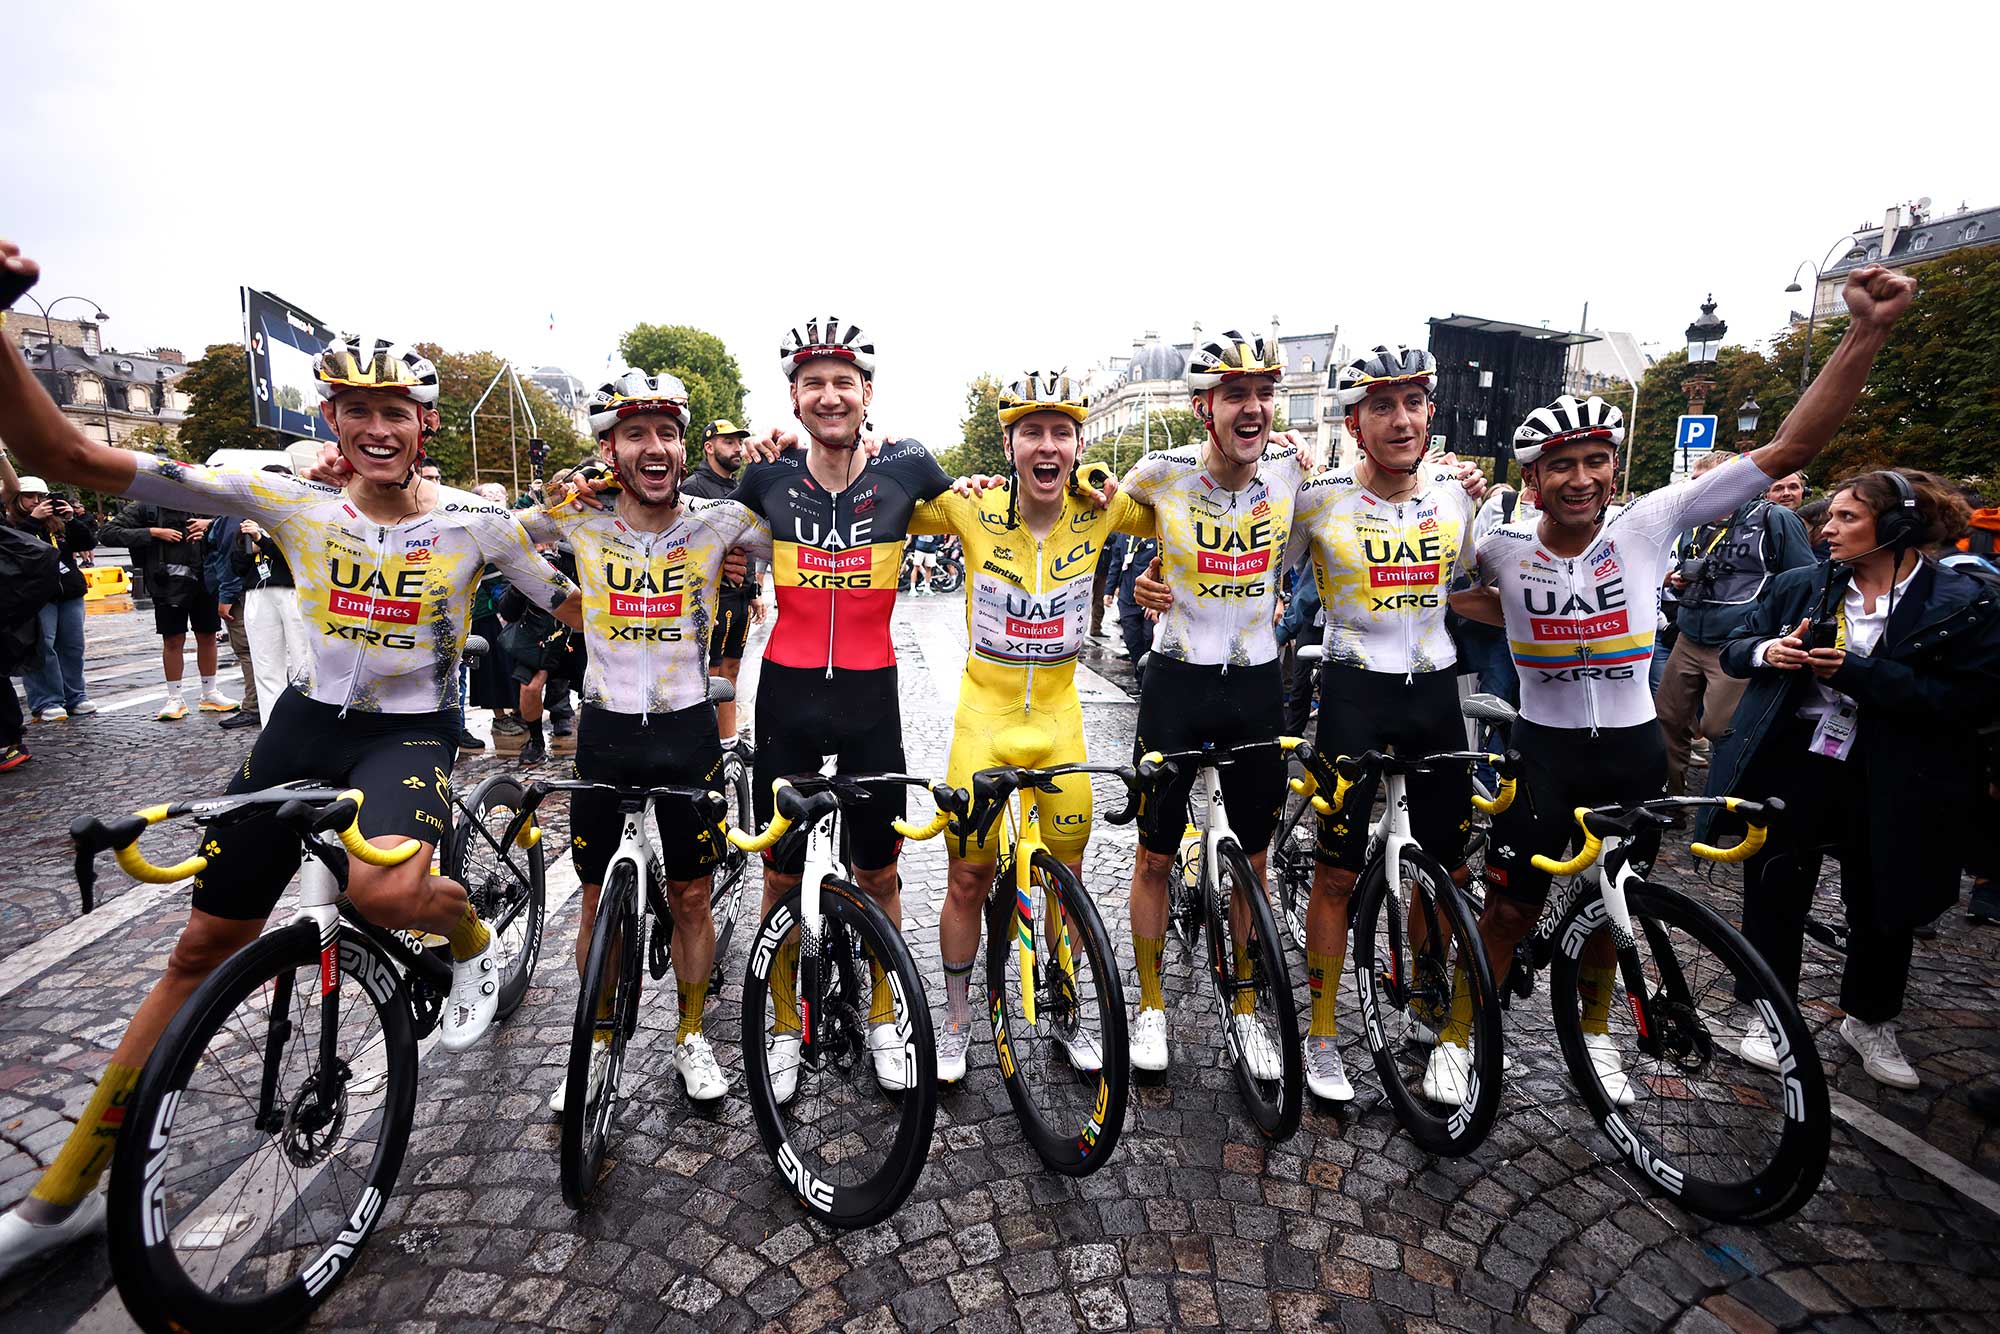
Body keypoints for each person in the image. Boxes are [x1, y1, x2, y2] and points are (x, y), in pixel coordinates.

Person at [0, 244, 582, 1279]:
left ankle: (471, 937)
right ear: (329, 420)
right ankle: (59, 1199)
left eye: (394, 406)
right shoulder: (285, 496)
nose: (374, 423)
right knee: (198, 948)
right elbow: (71, 455)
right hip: (303, 725)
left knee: (385, 891)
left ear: (424, 422)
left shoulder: (476, 522)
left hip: (411, 731)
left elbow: (571, 602)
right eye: (353, 405)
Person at [1451, 262, 1919, 1110]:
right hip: (1544, 754)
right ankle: (1457, 1033)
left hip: (1631, 756)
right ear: (1532, 481)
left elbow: (1790, 449)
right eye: (1562, 465)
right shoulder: (1502, 548)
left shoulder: (1650, 521)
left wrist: (1866, 331)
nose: (1583, 477)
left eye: (1598, 460)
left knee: (1610, 914)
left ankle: (1596, 1036)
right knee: (1509, 915)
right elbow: (1437, 593)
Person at [524, 372, 771, 1105]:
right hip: (604, 728)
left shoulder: (717, 520)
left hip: (688, 726)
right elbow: (486, 534)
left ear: (683, 444)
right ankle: (598, 1041)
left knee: (691, 898)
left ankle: (691, 1033)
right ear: (609, 447)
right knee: (596, 901)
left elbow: (803, 528)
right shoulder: (581, 519)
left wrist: (784, 466)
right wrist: (554, 511)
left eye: (667, 432)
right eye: (635, 433)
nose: (654, 446)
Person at [1714, 469, 2000, 1088]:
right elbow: (1735, 645)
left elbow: (1972, 699)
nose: (1827, 529)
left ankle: (1870, 1018)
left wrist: (1862, 675)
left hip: (1898, 769)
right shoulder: (1801, 586)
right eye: (1829, 516)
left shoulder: (1963, 600)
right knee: (1774, 888)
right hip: (1797, 759)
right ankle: (1770, 1013)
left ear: (1896, 527)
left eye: (1847, 517)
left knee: (1882, 898)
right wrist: (1769, 653)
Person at [904, 370, 1151, 1081]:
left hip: (1060, 721)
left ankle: (1066, 1008)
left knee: (1065, 878)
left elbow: (1186, 499)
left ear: (1077, 445)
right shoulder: (969, 510)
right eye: (1033, 433)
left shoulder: (1098, 510)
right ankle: (954, 1024)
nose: (1049, 446)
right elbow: (877, 494)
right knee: (966, 880)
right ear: (1010, 445)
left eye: (1063, 433)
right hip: (984, 718)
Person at [730, 317, 953, 1098]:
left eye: (844, 382)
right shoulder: (766, 480)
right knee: (779, 877)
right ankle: (786, 1025)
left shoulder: (907, 470)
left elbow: (987, 513)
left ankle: (888, 1018)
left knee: (880, 869)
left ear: (867, 396)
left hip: (870, 697)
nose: (830, 396)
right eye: (814, 383)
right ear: (794, 399)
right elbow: (688, 512)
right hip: (787, 694)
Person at [1274, 343, 1483, 1103]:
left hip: (1434, 696)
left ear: (1431, 411)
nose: (1402, 420)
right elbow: (1261, 572)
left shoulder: (1458, 498)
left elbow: (1473, 585)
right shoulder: (1318, 497)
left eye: (1414, 403)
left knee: (1450, 870)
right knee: (1335, 871)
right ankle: (1322, 1033)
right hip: (1355, 695)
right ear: (1355, 424)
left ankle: (1429, 999)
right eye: (1382, 407)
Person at [1115, 329, 1304, 1076]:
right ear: (1204, 407)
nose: (1252, 407)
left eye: (1264, 392)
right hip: (1178, 683)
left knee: (1254, 862)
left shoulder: (1293, 471)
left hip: (1257, 683)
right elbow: (1095, 515)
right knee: (1155, 855)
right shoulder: (1160, 474)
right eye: (1235, 393)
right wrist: (1137, 583)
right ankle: (1152, 1007)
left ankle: (1248, 1006)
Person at [1656, 451, 1814, 795]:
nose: (1694, 491)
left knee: (1721, 728)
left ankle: (1727, 807)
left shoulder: (1774, 519)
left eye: (1703, 483)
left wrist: (1772, 632)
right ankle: (1670, 800)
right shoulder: (1696, 522)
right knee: (1668, 719)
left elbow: (1803, 580)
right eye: (1693, 484)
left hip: (1734, 639)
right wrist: (1681, 579)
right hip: (1689, 634)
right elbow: (1691, 565)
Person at [98, 445, 238, 721]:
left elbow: (232, 522)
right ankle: (174, 697)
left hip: (204, 580)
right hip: (168, 584)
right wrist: (152, 532)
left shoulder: (203, 503)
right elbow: (107, 533)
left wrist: (208, 525)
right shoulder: (146, 508)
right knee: (173, 639)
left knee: (208, 635)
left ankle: (210, 693)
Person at [680, 419, 764, 742]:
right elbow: (681, 546)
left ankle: (729, 741)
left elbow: (750, 539)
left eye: (739, 443)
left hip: (741, 596)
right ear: (709, 446)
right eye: (729, 442)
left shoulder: (739, 488)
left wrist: (755, 589)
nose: (737, 449)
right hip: (711, 599)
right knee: (711, 676)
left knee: (732, 673)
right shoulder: (692, 487)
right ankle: (706, 743)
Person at [5, 473, 96, 720]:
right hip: (35, 596)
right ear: (16, 499)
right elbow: (16, 548)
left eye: (41, 497)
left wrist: (71, 518)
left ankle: (75, 696)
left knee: (72, 646)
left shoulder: (55, 523)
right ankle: (47, 700)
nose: (36, 502)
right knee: (43, 647)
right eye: (29, 497)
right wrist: (33, 522)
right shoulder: (11, 525)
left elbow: (88, 542)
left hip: (69, 592)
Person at [231, 467, 311, 732]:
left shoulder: (297, 514)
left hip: (293, 592)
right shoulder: (249, 519)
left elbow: (296, 552)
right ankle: (273, 730)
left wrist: (263, 541)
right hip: (257, 593)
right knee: (265, 664)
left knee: (304, 661)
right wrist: (249, 546)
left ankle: (309, 727)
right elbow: (236, 564)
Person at [205, 510, 262, 730]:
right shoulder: (234, 514)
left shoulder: (234, 514)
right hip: (249, 588)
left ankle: (253, 707)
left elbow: (232, 555)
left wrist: (227, 595)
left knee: (247, 650)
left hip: (238, 591)